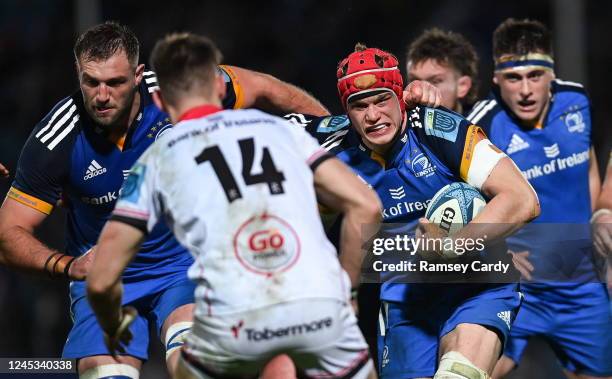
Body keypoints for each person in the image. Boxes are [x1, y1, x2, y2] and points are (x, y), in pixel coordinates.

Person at [0, 21, 330, 378]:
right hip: (106, 277)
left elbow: (265, 88)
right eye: (91, 82)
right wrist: (67, 266)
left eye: (115, 82)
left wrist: (334, 137)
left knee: (196, 366)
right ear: (77, 74)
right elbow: (8, 232)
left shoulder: (179, 90)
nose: (102, 95)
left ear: (139, 74)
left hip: (182, 264)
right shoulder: (55, 140)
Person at [86, 32, 381, 379]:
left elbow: (101, 280)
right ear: (221, 88)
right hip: (319, 309)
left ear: (160, 101)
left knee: (183, 366)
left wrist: (113, 325)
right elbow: (366, 206)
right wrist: (348, 289)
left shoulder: (156, 161)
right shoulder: (281, 131)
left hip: (233, 323)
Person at [285, 43, 539, 379]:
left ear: (401, 96)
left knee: (458, 374)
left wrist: (452, 245)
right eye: (359, 106)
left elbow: (523, 199)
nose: (373, 115)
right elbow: (270, 107)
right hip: (404, 296)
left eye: (381, 100)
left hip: (476, 283)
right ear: (346, 112)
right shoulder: (333, 149)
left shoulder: (439, 129)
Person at [467, 19, 612, 379]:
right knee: (471, 371)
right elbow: (458, 206)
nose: (526, 90)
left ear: (552, 72)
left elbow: (588, 168)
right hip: (517, 290)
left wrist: (601, 213)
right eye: (514, 78)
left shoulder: (576, 101)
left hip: (582, 289)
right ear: (497, 80)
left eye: (536, 75)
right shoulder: (478, 127)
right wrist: (493, 253)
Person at [406, 28, 479, 115]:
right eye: (414, 80)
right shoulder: (395, 124)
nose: (421, 91)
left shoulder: (485, 123)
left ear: (462, 86)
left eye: (435, 81)